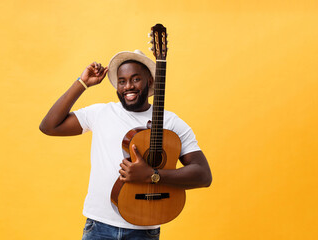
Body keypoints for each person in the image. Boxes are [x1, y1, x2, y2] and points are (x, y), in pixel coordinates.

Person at [38, 50, 212, 240]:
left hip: (144, 229)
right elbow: (49, 126)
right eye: (122, 81)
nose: (128, 86)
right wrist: (82, 83)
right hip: (98, 226)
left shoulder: (171, 122)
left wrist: (152, 175)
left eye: (136, 79)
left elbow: (203, 175)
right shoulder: (101, 113)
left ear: (150, 82)